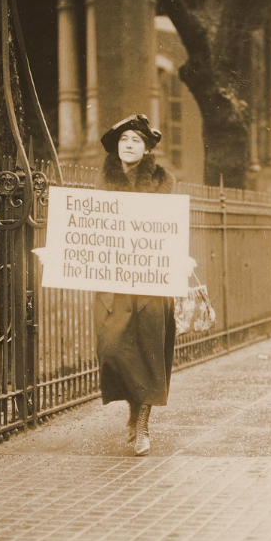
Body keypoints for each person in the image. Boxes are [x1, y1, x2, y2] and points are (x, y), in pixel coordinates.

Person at [94, 114, 177, 456]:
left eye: (136, 141)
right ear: (117, 145)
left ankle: (142, 422)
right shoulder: (103, 181)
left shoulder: (162, 181)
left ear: (145, 149)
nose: (129, 145)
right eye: (124, 139)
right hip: (114, 280)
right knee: (113, 347)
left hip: (149, 281)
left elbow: (169, 228)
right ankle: (132, 409)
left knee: (148, 348)